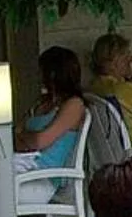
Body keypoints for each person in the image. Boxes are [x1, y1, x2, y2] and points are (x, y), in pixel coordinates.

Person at [11, 45, 89, 173]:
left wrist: (23, 136)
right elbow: (15, 135)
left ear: (52, 73)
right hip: (24, 163)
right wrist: (26, 138)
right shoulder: (42, 102)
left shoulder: (74, 104)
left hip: (45, 172)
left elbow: (40, 141)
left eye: (40, 71)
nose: (38, 75)